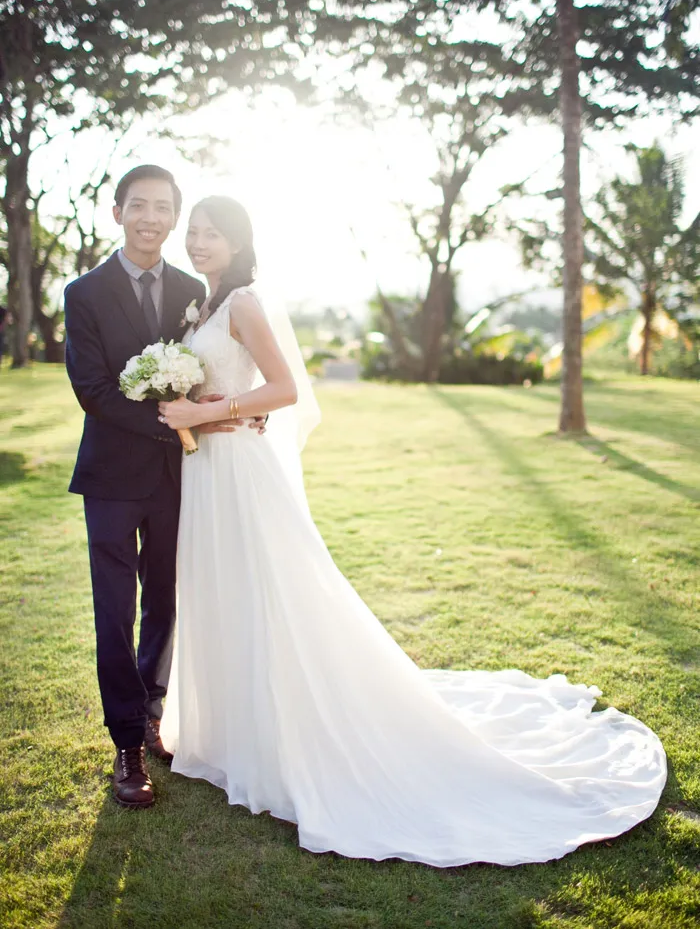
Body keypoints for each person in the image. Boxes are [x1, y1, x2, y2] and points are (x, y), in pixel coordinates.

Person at [157, 194, 666, 868]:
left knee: (267, 595)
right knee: (220, 593)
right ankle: (226, 736)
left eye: (211, 234)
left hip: (240, 477)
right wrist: (198, 412)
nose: (197, 242)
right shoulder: (201, 306)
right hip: (208, 467)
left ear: (238, 241)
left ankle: (282, 739)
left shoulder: (244, 302)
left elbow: (283, 391)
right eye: (192, 232)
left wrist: (219, 406)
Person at [64, 165, 265, 810]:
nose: (152, 218)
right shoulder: (84, 292)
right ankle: (126, 744)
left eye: (164, 209)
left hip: (187, 474)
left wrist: (232, 409)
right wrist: (169, 421)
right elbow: (92, 391)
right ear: (119, 212)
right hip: (113, 479)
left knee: (169, 599)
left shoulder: (196, 290)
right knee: (114, 609)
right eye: (139, 206)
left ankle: (155, 710)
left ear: (174, 219)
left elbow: (217, 370)